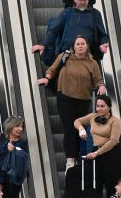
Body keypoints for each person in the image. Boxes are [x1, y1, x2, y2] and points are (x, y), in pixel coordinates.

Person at [37, 35, 106, 170]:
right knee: (69, 129)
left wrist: (101, 86)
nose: (80, 46)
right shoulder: (66, 56)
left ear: (87, 46)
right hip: (65, 97)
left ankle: (81, 158)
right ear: (73, 46)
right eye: (78, 44)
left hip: (83, 100)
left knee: (81, 130)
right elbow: (53, 68)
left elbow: (98, 79)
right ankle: (70, 160)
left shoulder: (92, 63)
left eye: (83, 44)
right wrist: (47, 78)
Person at [31, 0, 110, 60]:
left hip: (87, 55)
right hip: (66, 53)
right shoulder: (67, 12)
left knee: (86, 74)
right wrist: (44, 45)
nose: (82, 2)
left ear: (88, 0)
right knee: (61, 70)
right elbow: (54, 31)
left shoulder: (95, 14)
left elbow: (102, 34)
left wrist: (103, 43)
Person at [75, 95, 121, 198]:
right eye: (97, 106)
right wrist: (81, 129)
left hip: (112, 154)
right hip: (96, 152)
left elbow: (113, 141)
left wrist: (97, 153)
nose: (99, 109)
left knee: (111, 185)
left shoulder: (115, 121)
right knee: (95, 184)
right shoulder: (93, 117)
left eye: (102, 106)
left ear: (109, 107)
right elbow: (77, 121)